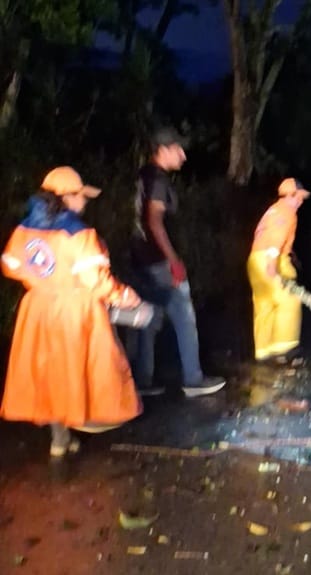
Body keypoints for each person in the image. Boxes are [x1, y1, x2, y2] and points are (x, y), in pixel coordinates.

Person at [0, 166, 144, 458]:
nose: (84, 201)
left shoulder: (24, 228)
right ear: (66, 197)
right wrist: (123, 295)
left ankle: (60, 439)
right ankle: (80, 423)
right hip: (74, 311)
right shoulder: (79, 232)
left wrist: (42, 281)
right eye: (81, 195)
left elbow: (10, 266)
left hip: (38, 309)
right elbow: (95, 280)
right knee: (77, 370)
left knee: (50, 374)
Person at [129, 127, 226, 397]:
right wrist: (173, 260)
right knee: (184, 316)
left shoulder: (143, 176)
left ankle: (143, 381)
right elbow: (154, 221)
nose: (183, 155)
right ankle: (193, 379)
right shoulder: (159, 180)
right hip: (159, 261)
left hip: (142, 258)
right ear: (163, 150)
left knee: (149, 319)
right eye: (178, 149)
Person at [247, 177, 310, 362]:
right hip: (270, 260)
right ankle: (285, 349)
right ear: (290, 195)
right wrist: (272, 261)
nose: (300, 202)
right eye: (298, 197)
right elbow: (276, 236)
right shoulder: (287, 212)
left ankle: (263, 352)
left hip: (254, 260)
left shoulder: (272, 210)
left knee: (265, 305)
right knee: (289, 300)